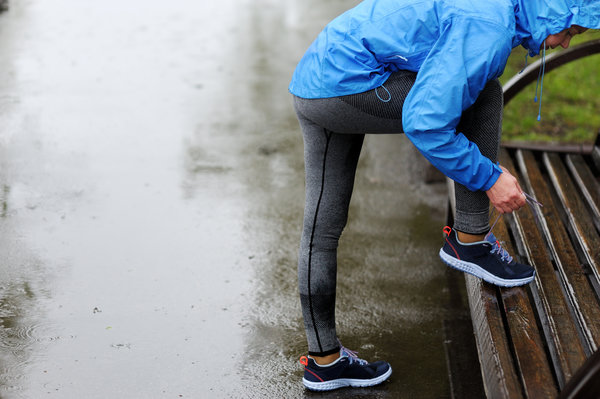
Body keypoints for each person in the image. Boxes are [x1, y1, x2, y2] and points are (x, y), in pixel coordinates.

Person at [289, 0, 600, 392]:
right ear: (551, 12)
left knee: (321, 225)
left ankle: (324, 363)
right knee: (482, 93)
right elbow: (426, 123)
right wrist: (490, 178)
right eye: (570, 31)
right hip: (347, 84)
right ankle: (469, 241)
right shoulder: (489, 26)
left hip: (317, 76)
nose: (567, 44)